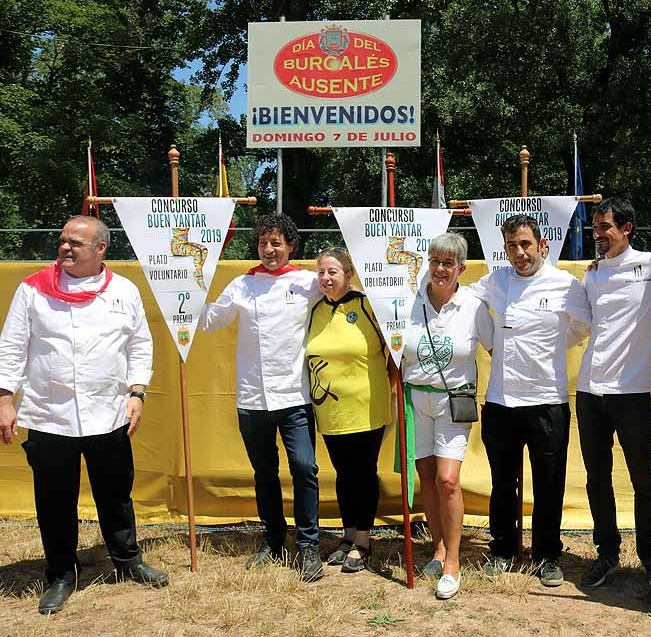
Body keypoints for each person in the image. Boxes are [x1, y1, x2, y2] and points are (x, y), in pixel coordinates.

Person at [0, 215, 168, 615]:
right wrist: (5, 398)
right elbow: (12, 346)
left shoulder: (124, 291)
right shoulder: (33, 290)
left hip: (108, 413)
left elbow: (140, 346)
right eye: (62, 241)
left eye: (76, 242)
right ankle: (60, 574)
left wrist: (138, 392)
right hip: (48, 414)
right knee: (54, 500)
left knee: (115, 494)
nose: (65, 248)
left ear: (100, 249)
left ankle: (127, 560)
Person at [466, 214, 591, 588]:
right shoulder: (496, 281)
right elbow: (466, 303)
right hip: (502, 402)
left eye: (525, 244)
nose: (519, 253)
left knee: (549, 483)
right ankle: (503, 550)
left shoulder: (566, 284)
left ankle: (548, 555)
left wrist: (554, 346)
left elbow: (582, 325)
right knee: (504, 483)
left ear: (542, 246)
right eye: (511, 246)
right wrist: (490, 342)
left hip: (547, 401)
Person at [199, 213, 324, 582]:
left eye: (276, 243)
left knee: (304, 468)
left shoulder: (307, 283)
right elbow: (210, 321)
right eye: (263, 243)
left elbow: (341, 292)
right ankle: (272, 538)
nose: (269, 250)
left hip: (295, 396)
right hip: (252, 399)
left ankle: (309, 545)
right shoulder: (242, 284)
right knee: (264, 473)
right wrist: (184, 294)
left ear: (290, 247)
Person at [577, 198, 651, 588]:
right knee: (596, 477)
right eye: (595, 228)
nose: (598, 235)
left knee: (642, 477)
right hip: (589, 390)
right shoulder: (593, 274)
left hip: (632, 392)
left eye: (605, 228)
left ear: (627, 228)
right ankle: (607, 553)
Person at [401, 233, 493, 600]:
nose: (440, 269)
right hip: (415, 399)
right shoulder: (409, 299)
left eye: (448, 263)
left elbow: (495, 348)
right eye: (435, 261)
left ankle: (453, 561)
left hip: (454, 402)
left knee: (448, 480)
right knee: (425, 476)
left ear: (461, 268)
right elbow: (396, 351)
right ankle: (438, 548)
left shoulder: (472, 305)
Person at [306, 247, 393, 574]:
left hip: (366, 404)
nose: (326, 279)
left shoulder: (368, 306)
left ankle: (364, 539)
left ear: (349, 275)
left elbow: (395, 347)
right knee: (343, 474)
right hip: (329, 409)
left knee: (363, 472)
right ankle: (347, 534)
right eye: (321, 273)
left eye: (333, 272)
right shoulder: (315, 310)